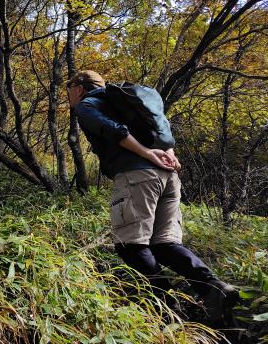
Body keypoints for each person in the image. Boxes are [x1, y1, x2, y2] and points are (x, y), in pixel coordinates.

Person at [66, 70, 239, 324]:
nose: (68, 94)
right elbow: (162, 128)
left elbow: (113, 130)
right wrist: (167, 153)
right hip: (169, 178)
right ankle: (214, 289)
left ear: (79, 87)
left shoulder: (87, 104)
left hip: (138, 177)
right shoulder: (132, 104)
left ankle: (167, 311)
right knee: (164, 245)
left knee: (131, 247)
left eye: (69, 88)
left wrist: (147, 154)